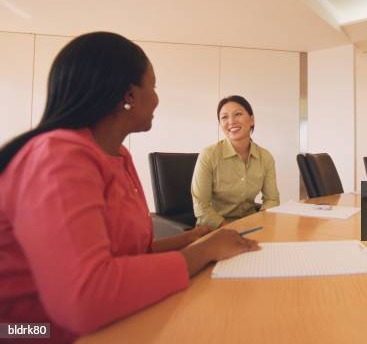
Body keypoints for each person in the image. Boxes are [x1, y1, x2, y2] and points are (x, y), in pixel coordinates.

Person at [0, 32, 259, 343]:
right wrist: (201, 252)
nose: (156, 98)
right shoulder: (59, 156)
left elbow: (126, 252)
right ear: (129, 96)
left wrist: (190, 239)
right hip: (29, 332)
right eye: (153, 86)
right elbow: (86, 299)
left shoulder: (118, 154)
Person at [191, 95, 280, 228]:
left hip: (250, 226)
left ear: (252, 120)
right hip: (214, 229)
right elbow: (201, 207)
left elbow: (272, 200)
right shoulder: (208, 155)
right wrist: (231, 229)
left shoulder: (265, 157)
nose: (231, 121)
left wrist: (261, 223)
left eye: (238, 114)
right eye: (224, 117)